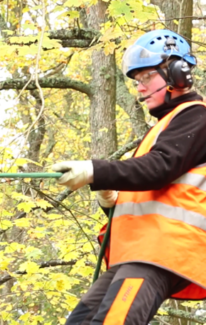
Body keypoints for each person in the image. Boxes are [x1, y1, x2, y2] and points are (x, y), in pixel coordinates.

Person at [52, 29, 206, 324]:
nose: (140, 87)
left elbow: (159, 168)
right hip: (137, 252)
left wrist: (95, 171)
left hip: (162, 251)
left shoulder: (196, 116)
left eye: (147, 77)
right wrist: (112, 198)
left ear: (178, 73)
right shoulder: (166, 127)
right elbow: (155, 185)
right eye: (137, 81)